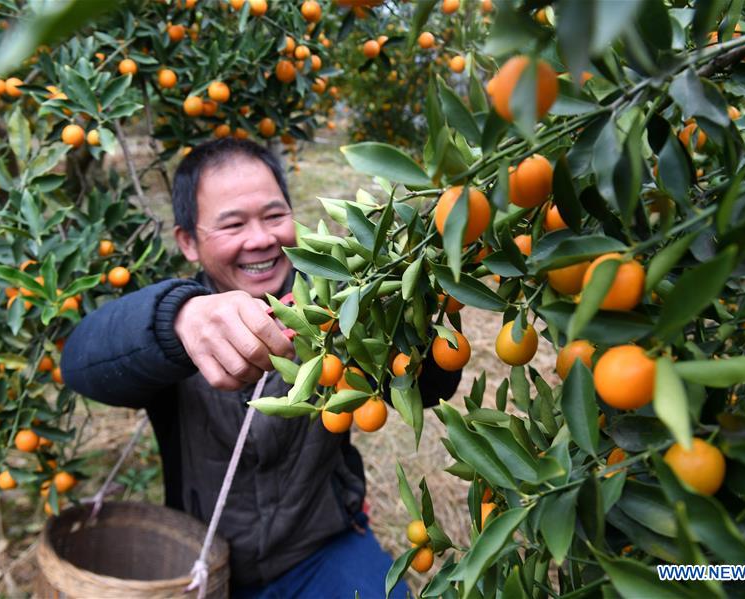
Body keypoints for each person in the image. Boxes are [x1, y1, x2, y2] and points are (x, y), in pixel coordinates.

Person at [61, 138, 461, 597]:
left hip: (322, 548)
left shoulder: (339, 306)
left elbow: (433, 385)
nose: (261, 239)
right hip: (209, 565)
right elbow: (81, 362)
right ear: (188, 241)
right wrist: (177, 320)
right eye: (232, 224)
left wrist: (409, 310)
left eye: (274, 216)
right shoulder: (177, 330)